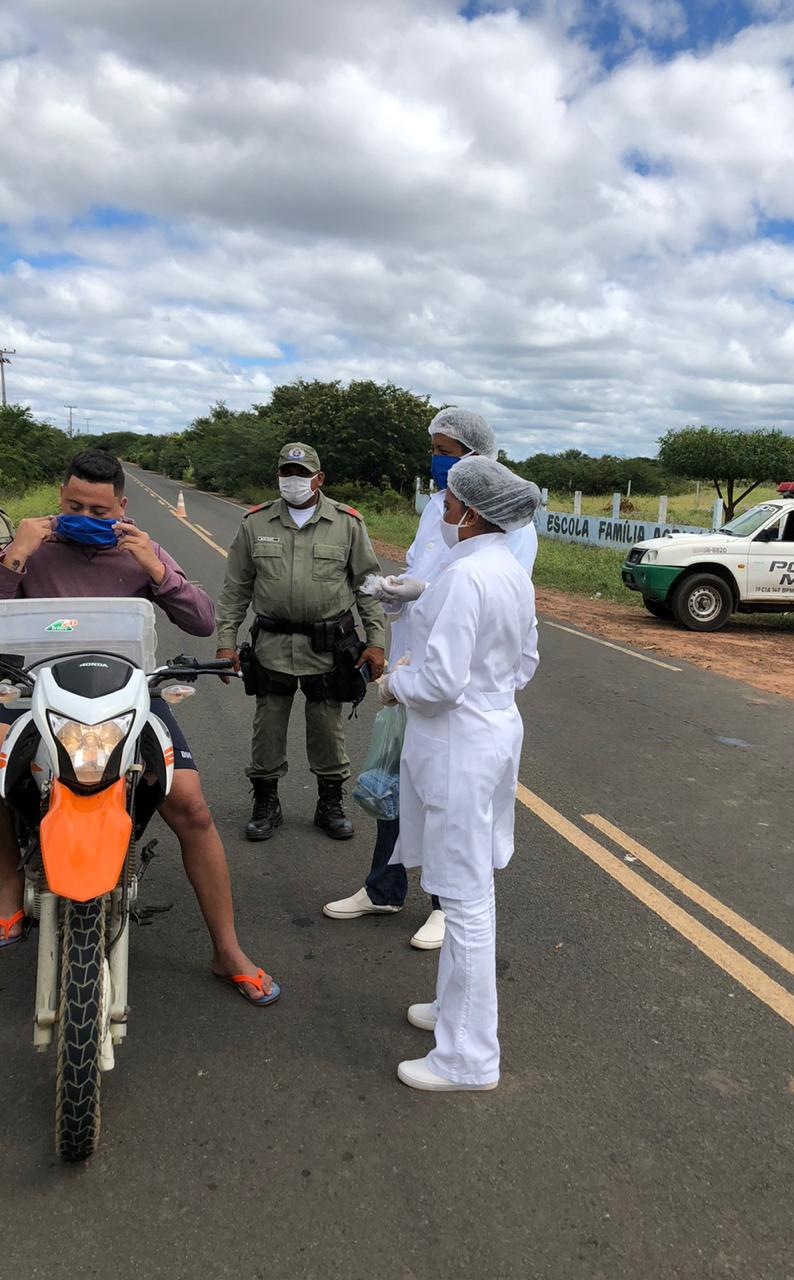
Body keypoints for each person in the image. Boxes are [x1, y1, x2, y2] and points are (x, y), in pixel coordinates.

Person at [0, 449, 278, 1005]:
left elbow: (200, 619)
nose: (84, 516)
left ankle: (226, 949)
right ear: (59, 498)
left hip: (129, 694)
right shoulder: (29, 549)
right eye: (73, 504)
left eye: (98, 510)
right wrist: (14, 557)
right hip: (33, 691)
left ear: (121, 506)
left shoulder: (139, 550)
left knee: (192, 806)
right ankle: (9, 891)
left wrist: (156, 569)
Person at [323, 409, 538, 950]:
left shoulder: (505, 525)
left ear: (474, 453)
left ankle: (449, 904)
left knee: (450, 809)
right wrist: (400, 593)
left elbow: (484, 599)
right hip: (415, 669)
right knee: (394, 782)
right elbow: (430, 568)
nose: (437, 461)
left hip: (449, 691)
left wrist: (427, 598)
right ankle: (384, 886)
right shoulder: (440, 508)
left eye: (446, 448)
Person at [375, 455, 541, 1091]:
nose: (441, 512)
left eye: (447, 503)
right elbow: (524, 662)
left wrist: (397, 682)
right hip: (494, 731)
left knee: (466, 899)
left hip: (458, 743)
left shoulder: (462, 577)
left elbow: (440, 681)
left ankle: (468, 1057)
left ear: (471, 513)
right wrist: (483, 687)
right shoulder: (510, 573)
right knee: (472, 888)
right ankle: (452, 1012)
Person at [215, 443, 386, 842]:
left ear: (318, 478)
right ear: (278, 476)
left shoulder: (347, 524)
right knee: (267, 726)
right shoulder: (254, 523)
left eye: (301, 473)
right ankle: (265, 802)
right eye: (286, 472)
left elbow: (368, 587)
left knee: (327, 728)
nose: (293, 480)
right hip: (271, 644)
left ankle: (330, 803)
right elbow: (236, 589)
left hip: (329, 647)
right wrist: (226, 642)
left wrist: (375, 641)